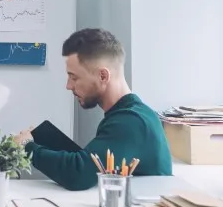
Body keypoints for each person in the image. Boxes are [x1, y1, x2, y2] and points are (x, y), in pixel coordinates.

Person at [13, 28, 172, 191]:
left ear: (103, 76)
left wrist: (26, 146)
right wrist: (44, 139)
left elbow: (79, 173)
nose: (68, 86)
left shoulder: (130, 122)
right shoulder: (130, 114)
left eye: (74, 77)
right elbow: (93, 162)